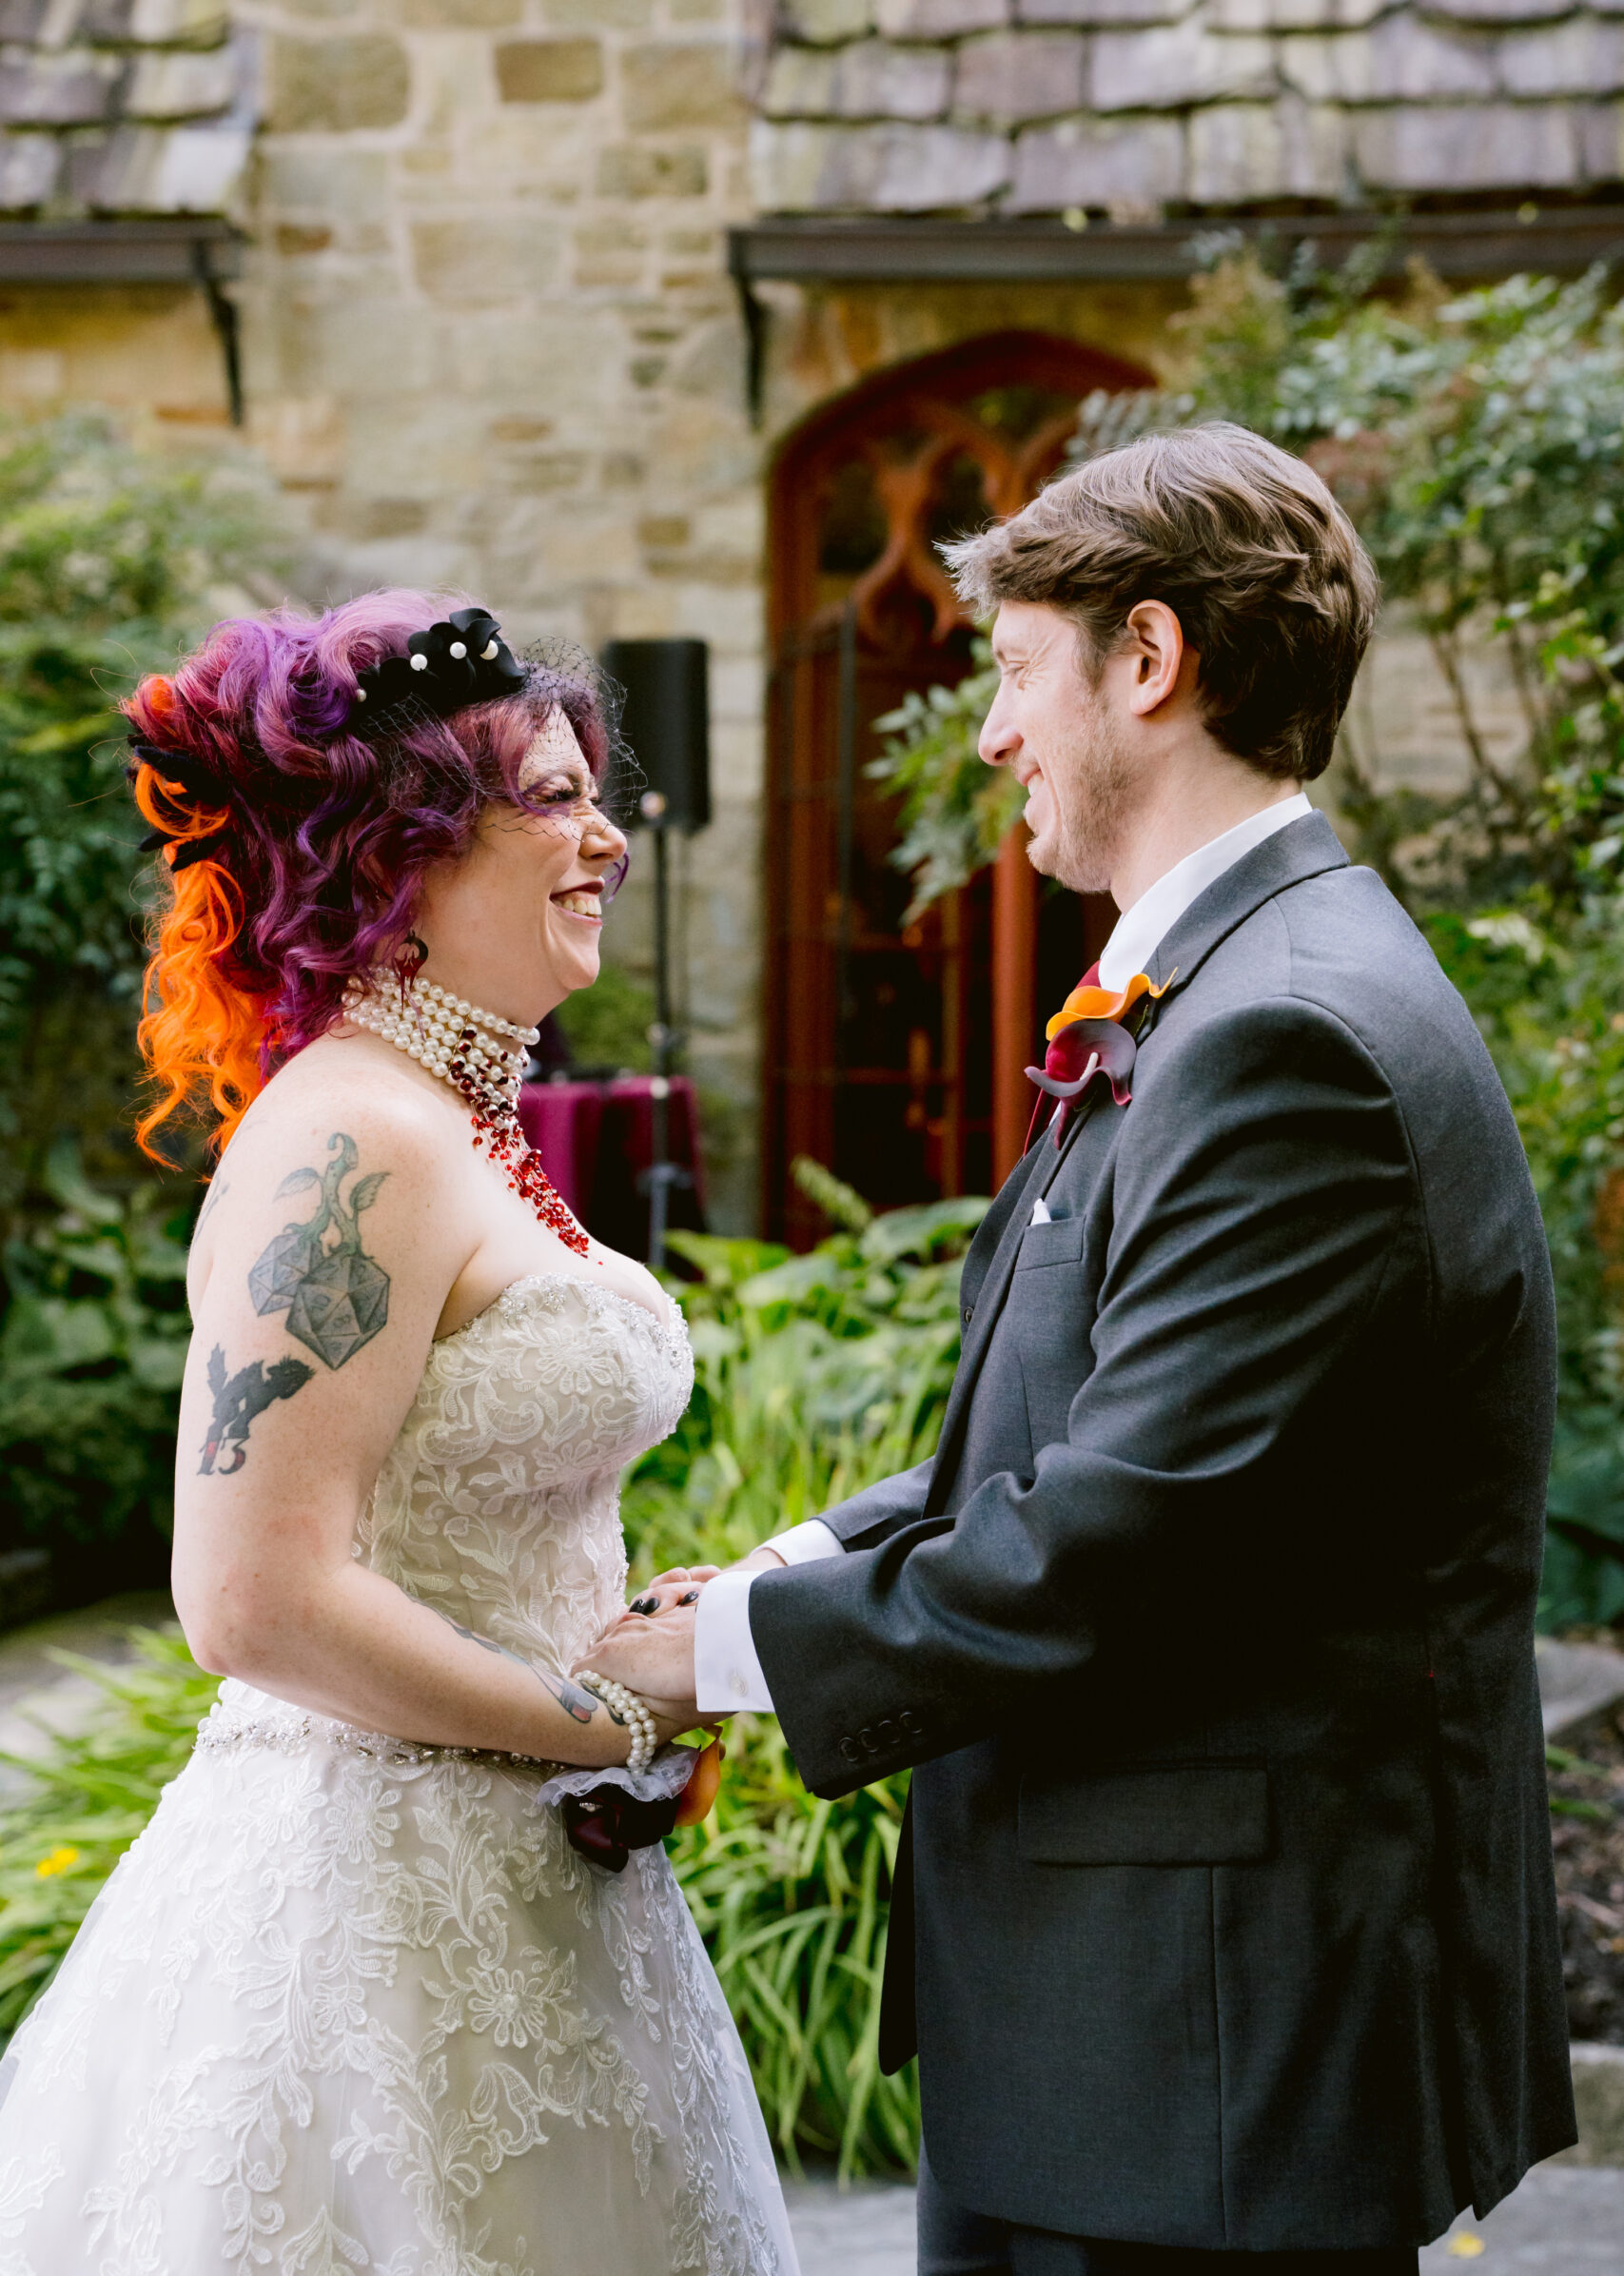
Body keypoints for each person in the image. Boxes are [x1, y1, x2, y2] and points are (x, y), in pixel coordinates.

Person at [581, 424, 1576, 2275]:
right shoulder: (1229, 984)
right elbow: (1073, 1427)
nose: (986, 735)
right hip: (1121, 2042)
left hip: (1201, 2056)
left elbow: (1116, 1530)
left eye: (1013, 671)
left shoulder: (1286, 1038)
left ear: (1145, 656)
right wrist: (795, 1560)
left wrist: (718, 1655)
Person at [0, 593, 797, 2276]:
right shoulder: (346, 1149)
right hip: (368, 1921)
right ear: (400, 853)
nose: (609, 839)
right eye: (557, 802)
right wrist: (585, 1723)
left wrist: (636, 1639)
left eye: (600, 795)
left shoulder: (459, 1128)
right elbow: (252, 1601)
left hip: (530, 1892)